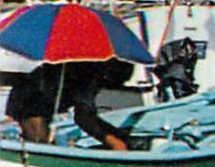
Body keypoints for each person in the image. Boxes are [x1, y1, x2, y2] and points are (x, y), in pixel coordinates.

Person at [5, 60, 133, 150]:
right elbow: (83, 118)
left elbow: (87, 116)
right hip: (29, 99)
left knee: (42, 144)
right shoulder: (91, 76)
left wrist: (117, 135)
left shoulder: (91, 70)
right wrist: (114, 141)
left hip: (39, 95)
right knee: (39, 146)